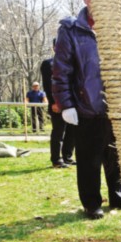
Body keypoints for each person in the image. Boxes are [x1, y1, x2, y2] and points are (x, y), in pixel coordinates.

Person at [53, 0, 121, 220]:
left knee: (115, 157)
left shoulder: (117, 29)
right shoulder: (71, 30)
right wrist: (66, 104)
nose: (100, 0)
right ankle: (91, 202)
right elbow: (61, 71)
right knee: (89, 160)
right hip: (86, 108)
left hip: (116, 107)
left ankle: (118, 196)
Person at [41, 38, 75, 169]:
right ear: (54, 47)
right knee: (58, 132)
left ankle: (68, 157)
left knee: (72, 131)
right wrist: (54, 102)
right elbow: (48, 85)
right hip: (57, 104)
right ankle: (56, 159)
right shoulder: (48, 64)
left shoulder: (72, 63)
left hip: (72, 102)